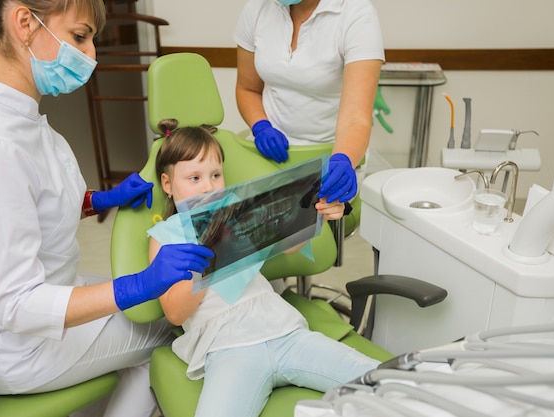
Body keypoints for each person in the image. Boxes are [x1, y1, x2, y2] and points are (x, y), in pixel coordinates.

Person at [0, 2, 213, 416]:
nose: (92, 54)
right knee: (174, 326)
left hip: (35, 300)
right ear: (25, 23)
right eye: (80, 36)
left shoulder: (16, 115)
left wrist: (99, 200)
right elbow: (17, 304)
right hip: (16, 342)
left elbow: (25, 211)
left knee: (154, 310)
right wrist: (135, 286)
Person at [148, 119, 380, 417]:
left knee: (381, 380)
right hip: (228, 348)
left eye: (216, 175)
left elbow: (291, 242)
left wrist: (320, 209)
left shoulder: (238, 212)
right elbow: (176, 313)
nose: (208, 186)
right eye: (194, 178)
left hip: (284, 330)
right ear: (168, 184)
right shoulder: (166, 237)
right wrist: (209, 248)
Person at [234, 0, 385, 204]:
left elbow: (356, 118)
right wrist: (260, 126)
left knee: (310, 227)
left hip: (330, 158)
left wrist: (343, 159)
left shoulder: (356, 14)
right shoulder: (258, 9)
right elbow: (247, 89)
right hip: (268, 154)